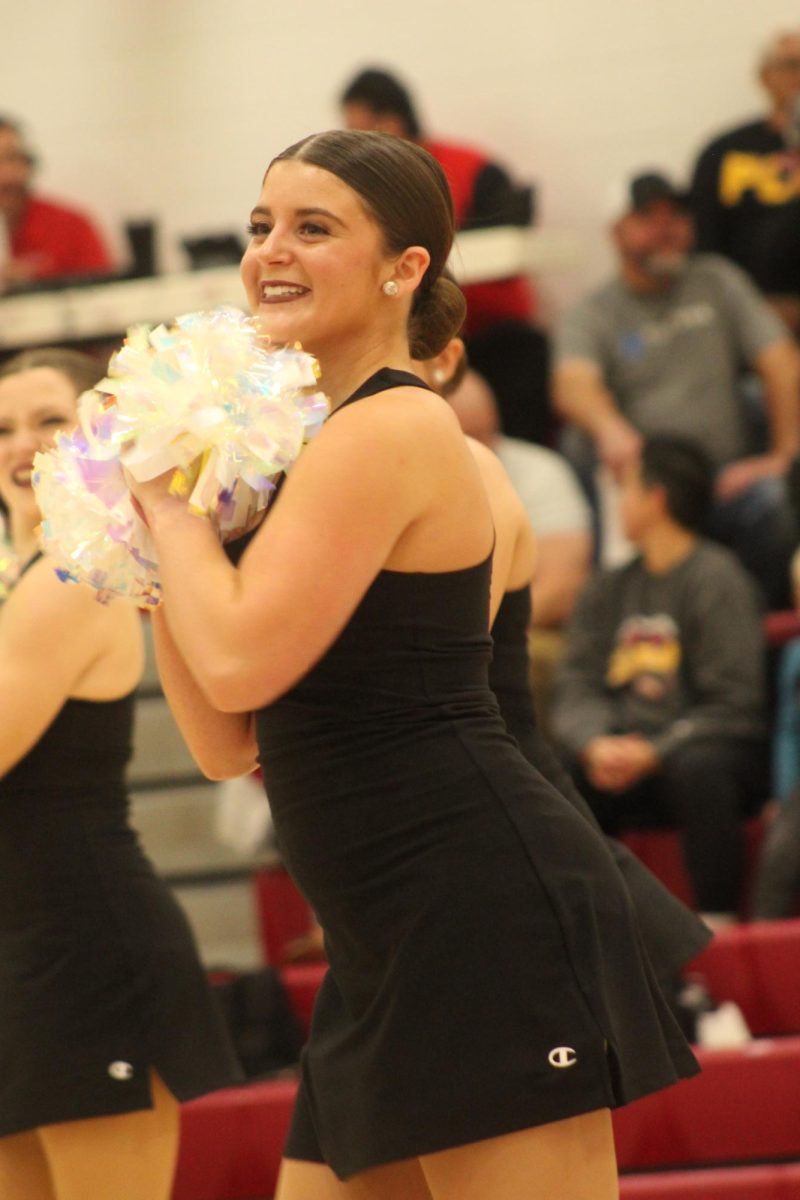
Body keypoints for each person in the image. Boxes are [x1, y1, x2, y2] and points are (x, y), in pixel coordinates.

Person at [131, 129, 697, 1200]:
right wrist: (162, 536)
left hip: (476, 911)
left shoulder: (393, 426)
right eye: (260, 227)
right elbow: (219, 739)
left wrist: (166, 509)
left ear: (406, 271)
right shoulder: (299, 451)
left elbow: (243, 660)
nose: (270, 252)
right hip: (378, 935)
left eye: (312, 227)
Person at [0, 348, 242, 1200]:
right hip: (21, 949)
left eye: (46, 422)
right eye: (0, 428)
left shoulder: (70, 577)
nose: (19, 444)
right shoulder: (16, 579)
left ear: (96, 431)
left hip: (83, 948)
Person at [554, 169, 800, 607]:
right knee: (579, 444)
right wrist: (610, 428)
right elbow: (572, 384)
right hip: (653, 493)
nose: (666, 228)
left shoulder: (718, 280)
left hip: (730, 482)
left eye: (677, 215)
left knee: (776, 501)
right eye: (648, 216)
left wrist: (781, 455)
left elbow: (781, 360)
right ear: (617, 231)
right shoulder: (594, 312)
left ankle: (751, 627)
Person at [552, 435, 767, 929]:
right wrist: (595, 744)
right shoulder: (606, 589)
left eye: (627, 488)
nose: (619, 502)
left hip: (701, 754)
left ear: (656, 498)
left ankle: (718, 921)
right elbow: (576, 685)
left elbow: (735, 706)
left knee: (701, 769)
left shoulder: (718, 579)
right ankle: (588, 929)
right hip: (624, 758)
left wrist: (657, 750)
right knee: (555, 771)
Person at [339, 68, 552, 445]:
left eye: (360, 130)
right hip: (421, 336)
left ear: (390, 122)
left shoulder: (472, 169)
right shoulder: (359, 192)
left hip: (492, 332)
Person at [447, 365, 592, 628]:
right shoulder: (409, 475)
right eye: (468, 438)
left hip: (513, 631)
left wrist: (472, 641)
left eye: (488, 434)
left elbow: (562, 587)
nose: (484, 449)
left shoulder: (541, 470)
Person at [690, 29, 800, 335]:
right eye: (792, 65)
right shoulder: (724, 152)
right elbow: (704, 247)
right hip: (750, 320)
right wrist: (748, 311)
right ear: (765, 77)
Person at [0, 117, 113, 291]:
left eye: (11, 158)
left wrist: (35, 281)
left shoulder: (71, 226)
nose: (4, 175)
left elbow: (107, 299)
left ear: (28, 163)